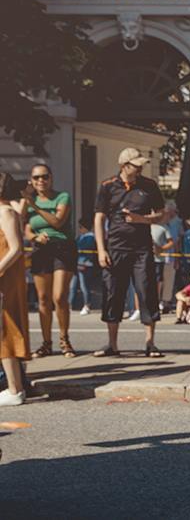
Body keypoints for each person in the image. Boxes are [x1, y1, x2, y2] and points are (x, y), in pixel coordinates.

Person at [93, 147, 165, 358]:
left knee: (146, 291)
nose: (141, 168)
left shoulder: (149, 186)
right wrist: (101, 249)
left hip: (142, 248)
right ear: (124, 166)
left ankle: (150, 343)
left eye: (142, 165)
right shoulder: (107, 186)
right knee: (113, 292)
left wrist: (141, 219)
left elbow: (161, 214)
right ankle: (112, 344)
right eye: (136, 165)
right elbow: (99, 218)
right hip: (115, 247)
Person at [22, 163, 77, 359]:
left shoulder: (62, 197)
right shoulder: (29, 201)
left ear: (51, 178)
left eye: (44, 176)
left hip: (63, 249)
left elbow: (57, 221)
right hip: (41, 250)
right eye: (36, 177)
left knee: (59, 295)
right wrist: (34, 237)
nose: (40, 181)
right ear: (31, 180)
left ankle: (65, 339)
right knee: (43, 299)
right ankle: (46, 343)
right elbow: (26, 227)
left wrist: (34, 205)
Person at [0, 173, 31, 406]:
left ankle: (15, 389)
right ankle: (15, 387)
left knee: (7, 329)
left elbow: (16, 248)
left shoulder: (6, 212)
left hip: (6, 278)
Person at [68, 217, 96, 315]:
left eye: (81, 227)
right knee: (72, 286)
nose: (80, 229)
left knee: (84, 286)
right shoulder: (81, 236)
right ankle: (69, 305)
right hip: (76, 264)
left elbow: (84, 248)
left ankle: (86, 305)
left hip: (85, 264)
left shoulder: (90, 237)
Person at [150, 222, 174, 315]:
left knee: (157, 284)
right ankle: (139, 308)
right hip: (143, 259)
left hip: (158, 260)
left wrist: (160, 249)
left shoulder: (163, 227)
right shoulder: (142, 224)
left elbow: (171, 242)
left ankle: (155, 305)